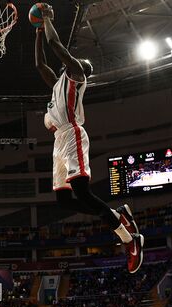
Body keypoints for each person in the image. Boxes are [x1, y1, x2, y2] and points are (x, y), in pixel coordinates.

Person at [34, 3, 144, 273]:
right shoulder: (57, 85)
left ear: (82, 70)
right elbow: (40, 64)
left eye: (79, 61)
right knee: (63, 201)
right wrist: (37, 31)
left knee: (83, 192)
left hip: (72, 135)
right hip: (58, 144)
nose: (75, 60)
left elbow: (57, 45)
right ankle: (119, 216)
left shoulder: (76, 77)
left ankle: (130, 240)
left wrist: (47, 18)